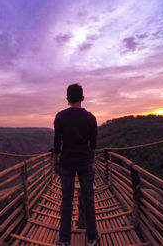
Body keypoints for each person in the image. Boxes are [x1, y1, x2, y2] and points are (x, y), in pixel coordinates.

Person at [53, 83, 99, 246]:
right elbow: (93, 144)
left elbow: (57, 143)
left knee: (66, 200)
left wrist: (55, 163)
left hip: (66, 162)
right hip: (85, 161)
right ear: (82, 98)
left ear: (67, 99)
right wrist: (91, 159)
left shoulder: (60, 117)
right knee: (88, 198)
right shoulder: (90, 118)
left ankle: (64, 239)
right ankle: (92, 236)